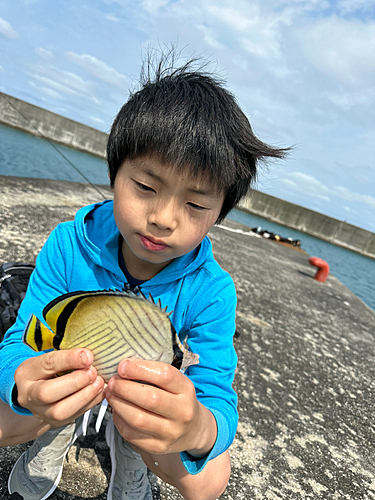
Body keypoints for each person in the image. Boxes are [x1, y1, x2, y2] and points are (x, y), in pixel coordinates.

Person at [0, 53, 289, 500]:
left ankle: (131, 452)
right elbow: (24, 337)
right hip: (68, 386)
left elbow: (215, 391)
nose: (164, 218)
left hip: (137, 407)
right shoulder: (68, 244)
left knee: (210, 479)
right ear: (115, 174)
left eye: (195, 205)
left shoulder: (212, 292)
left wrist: (193, 425)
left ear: (219, 215)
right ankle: (54, 432)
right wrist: (23, 383)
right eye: (146, 188)